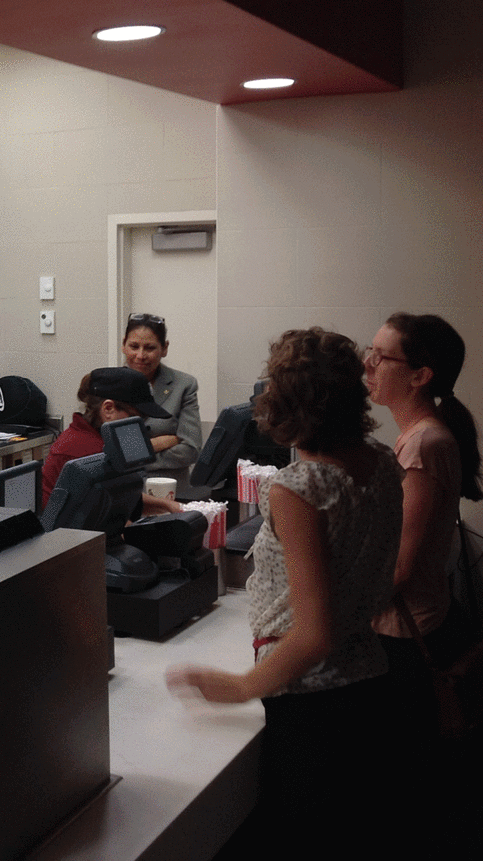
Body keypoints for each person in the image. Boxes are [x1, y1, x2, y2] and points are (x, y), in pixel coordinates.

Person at [168, 328, 403, 853]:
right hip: (371, 679)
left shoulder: (299, 487)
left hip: (313, 707)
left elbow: (313, 634)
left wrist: (240, 686)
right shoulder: (385, 463)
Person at [365, 313, 481, 802]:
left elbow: (401, 567)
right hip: (422, 624)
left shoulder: (423, 443)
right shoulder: (418, 437)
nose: (368, 364)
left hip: (412, 636)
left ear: (420, 376)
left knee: (410, 787)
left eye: (381, 355)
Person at [41, 366, 183, 514]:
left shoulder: (106, 441)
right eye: (136, 418)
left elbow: (121, 494)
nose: (141, 426)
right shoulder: (84, 452)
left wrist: (167, 505)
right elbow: (108, 511)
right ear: (108, 409)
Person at [121, 313, 201, 488]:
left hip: (172, 490)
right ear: (123, 345)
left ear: (164, 348)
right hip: (124, 489)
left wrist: (135, 455)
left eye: (149, 348)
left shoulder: (184, 385)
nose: (140, 355)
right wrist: (161, 442)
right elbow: (109, 452)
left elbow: (190, 450)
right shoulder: (108, 385)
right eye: (134, 346)